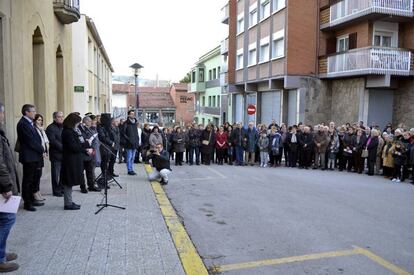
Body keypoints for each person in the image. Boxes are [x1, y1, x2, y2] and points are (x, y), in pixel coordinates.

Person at [0, 102, 19, 272]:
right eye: (2, 112)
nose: (4, 116)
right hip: (2, 186)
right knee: (7, 219)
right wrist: (6, 185)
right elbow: (0, 164)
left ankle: (2, 253)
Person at [61, 113, 93, 210]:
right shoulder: (67, 132)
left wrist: (85, 145)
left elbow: (77, 144)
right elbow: (73, 147)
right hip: (70, 160)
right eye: (78, 123)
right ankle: (68, 203)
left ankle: (69, 201)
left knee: (69, 181)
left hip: (73, 159)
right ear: (73, 122)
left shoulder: (71, 131)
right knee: (68, 181)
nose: (79, 125)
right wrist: (86, 147)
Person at [16, 104, 44, 211]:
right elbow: (30, 141)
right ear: (26, 112)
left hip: (34, 156)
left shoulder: (30, 123)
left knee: (33, 179)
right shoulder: (23, 124)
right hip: (29, 156)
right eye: (33, 111)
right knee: (28, 180)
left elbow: (36, 138)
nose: (35, 113)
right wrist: (41, 149)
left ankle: (31, 200)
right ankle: (27, 203)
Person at [78, 116, 100, 192]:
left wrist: (92, 150)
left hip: (89, 154)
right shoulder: (79, 130)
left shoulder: (90, 129)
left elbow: (92, 141)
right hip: (82, 153)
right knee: (81, 172)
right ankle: (83, 187)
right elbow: (80, 142)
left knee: (89, 171)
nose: (91, 123)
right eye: (90, 121)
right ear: (85, 121)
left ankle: (91, 186)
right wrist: (86, 149)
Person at [46, 111, 64, 197]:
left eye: (62, 116)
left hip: (64, 154)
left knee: (62, 173)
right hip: (56, 154)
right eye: (59, 117)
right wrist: (64, 148)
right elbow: (53, 141)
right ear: (54, 118)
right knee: (55, 174)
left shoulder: (63, 127)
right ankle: (56, 190)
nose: (61, 118)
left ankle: (61, 188)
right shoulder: (50, 128)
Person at [33, 114, 48, 202]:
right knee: (36, 175)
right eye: (38, 120)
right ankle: (35, 193)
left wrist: (45, 152)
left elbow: (45, 142)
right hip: (37, 155)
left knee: (39, 175)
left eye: (41, 120)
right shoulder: (34, 130)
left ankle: (38, 191)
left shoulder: (41, 130)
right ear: (35, 121)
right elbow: (37, 143)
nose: (40, 122)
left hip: (41, 155)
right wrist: (42, 152)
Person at [121, 110, 139, 175]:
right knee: (129, 157)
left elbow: (136, 133)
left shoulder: (135, 123)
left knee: (133, 157)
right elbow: (123, 133)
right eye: (131, 114)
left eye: (133, 114)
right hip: (129, 143)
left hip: (135, 143)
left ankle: (132, 169)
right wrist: (129, 139)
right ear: (128, 115)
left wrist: (137, 140)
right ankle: (129, 170)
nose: (133, 115)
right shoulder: (126, 123)